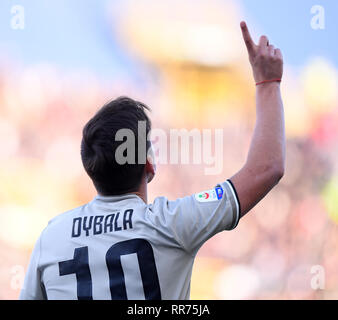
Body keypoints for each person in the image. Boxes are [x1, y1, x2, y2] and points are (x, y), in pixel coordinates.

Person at [19, 21, 285, 300]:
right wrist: (267, 84)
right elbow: (267, 168)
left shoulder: (51, 238)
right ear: (149, 165)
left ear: (90, 166)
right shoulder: (173, 223)